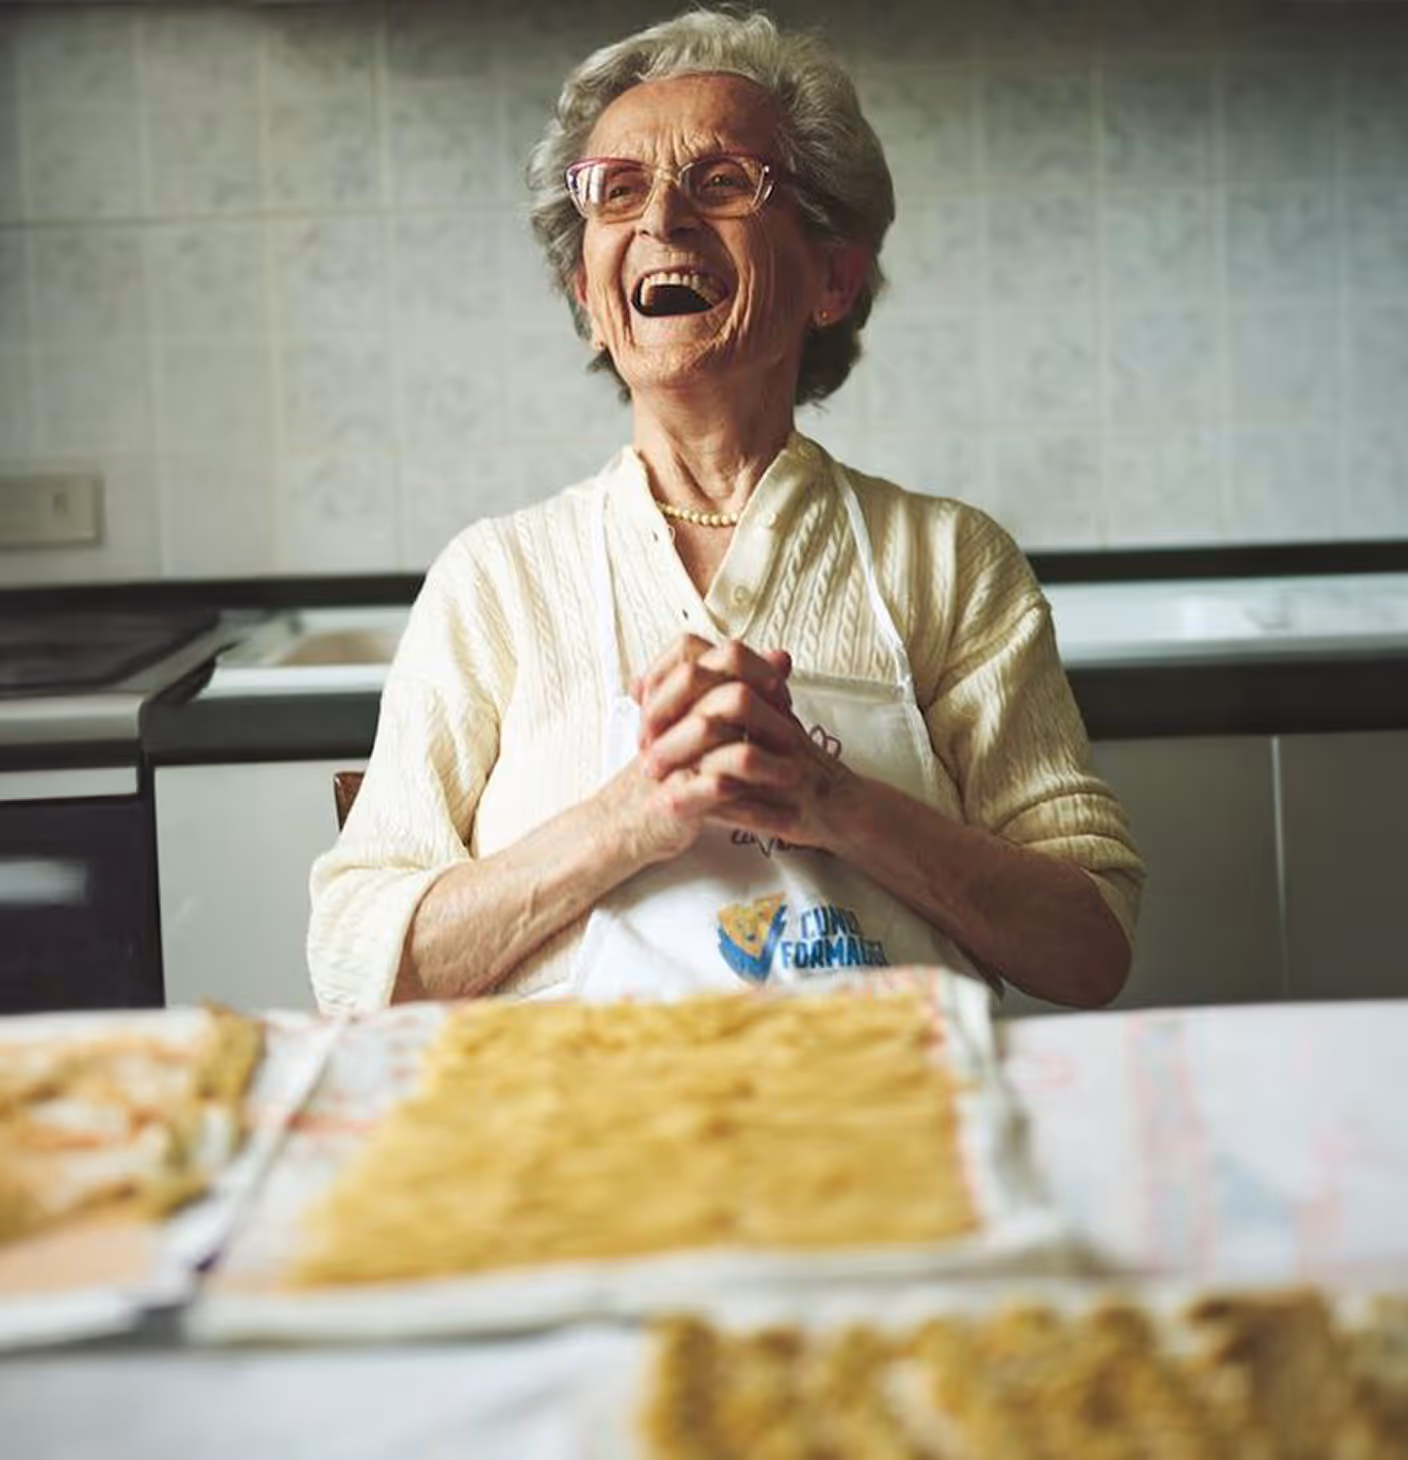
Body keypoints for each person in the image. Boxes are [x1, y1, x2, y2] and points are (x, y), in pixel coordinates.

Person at [307, 8, 1144, 1014]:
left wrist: (829, 799)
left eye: (719, 181)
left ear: (830, 276)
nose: (660, 221)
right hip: (571, 1135)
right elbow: (357, 965)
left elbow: (1088, 947)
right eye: (617, 191)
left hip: (881, 1118)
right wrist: (633, 814)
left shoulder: (949, 562)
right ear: (588, 288)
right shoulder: (496, 579)